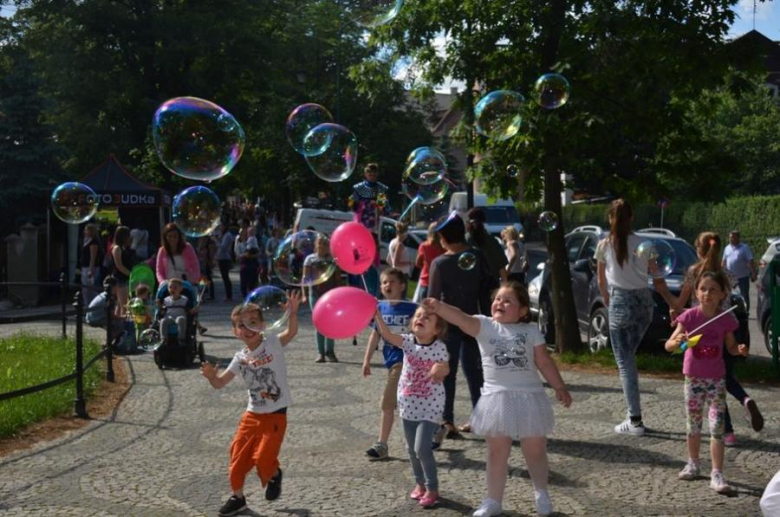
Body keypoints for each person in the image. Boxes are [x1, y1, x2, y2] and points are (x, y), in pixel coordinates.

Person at [422, 282, 572, 517]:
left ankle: (541, 493)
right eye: (497, 299)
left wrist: (559, 386)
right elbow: (460, 317)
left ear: (523, 310)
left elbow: (543, 362)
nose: (499, 303)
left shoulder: (531, 331)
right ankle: (493, 501)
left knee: (535, 449)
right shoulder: (485, 325)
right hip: (496, 398)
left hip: (529, 397)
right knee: (496, 451)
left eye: (507, 300)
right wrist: (439, 306)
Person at [200, 291, 301, 517]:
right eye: (241, 325)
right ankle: (238, 498)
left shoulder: (272, 344)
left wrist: (292, 313)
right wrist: (211, 377)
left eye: (252, 323)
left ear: (263, 325)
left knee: (263, 459)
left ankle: (274, 474)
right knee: (236, 458)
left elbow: (292, 331)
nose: (247, 329)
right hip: (251, 415)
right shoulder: (239, 358)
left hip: (275, 414)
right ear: (235, 332)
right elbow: (220, 383)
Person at [659, 232, 764, 446]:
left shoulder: (694, 273)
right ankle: (740, 409)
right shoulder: (727, 274)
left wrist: (665, 294)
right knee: (722, 377)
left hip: (701, 333)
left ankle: (727, 433)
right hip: (727, 327)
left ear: (698, 249)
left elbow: (681, 303)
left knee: (713, 380)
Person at [665, 271, 749, 494]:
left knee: (717, 428)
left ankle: (717, 473)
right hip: (693, 379)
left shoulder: (725, 319)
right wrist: (678, 342)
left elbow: (730, 347)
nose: (707, 293)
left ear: (722, 294)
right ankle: (693, 463)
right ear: (696, 293)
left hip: (716, 381)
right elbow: (669, 346)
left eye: (713, 290)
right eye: (703, 289)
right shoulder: (690, 317)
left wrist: (738, 350)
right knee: (693, 426)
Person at [374, 305, 450, 509]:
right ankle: (420, 484)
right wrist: (377, 316)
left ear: (436, 329)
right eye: (418, 316)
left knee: (421, 448)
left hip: (431, 406)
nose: (421, 318)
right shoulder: (407, 342)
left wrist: (439, 368)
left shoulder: (439, 346)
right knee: (411, 450)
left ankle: (432, 488)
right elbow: (388, 335)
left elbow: (446, 366)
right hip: (408, 404)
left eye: (427, 317)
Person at [428, 211, 495, 443]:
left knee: (448, 374)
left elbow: (432, 300)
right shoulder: (476, 256)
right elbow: (487, 290)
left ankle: (447, 421)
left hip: (447, 326)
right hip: (473, 322)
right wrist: (489, 320)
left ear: (443, 238)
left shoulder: (440, 263)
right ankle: (482, 420)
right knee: (476, 373)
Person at [596, 199, 660, 436]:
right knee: (628, 358)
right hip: (644, 303)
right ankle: (633, 417)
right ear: (631, 217)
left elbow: (601, 280)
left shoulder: (604, 245)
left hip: (620, 302)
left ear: (610, 218)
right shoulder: (645, 243)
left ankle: (635, 420)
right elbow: (657, 277)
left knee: (625, 363)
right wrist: (673, 303)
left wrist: (607, 299)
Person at [362, 268, 417, 460]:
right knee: (413, 402)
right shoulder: (381, 308)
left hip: (407, 362)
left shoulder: (411, 308)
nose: (387, 285)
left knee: (387, 403)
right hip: (391, 362)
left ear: (402, 286)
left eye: (392, 282)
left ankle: (382, 444)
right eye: (384, 282)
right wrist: (367, 359)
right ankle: (436, 428)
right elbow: (375, 334)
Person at [301, 234, 341, 363]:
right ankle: (320, 353)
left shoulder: (332, 261)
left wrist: (340, 296)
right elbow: (305, 279)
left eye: (325, 244)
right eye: (320, 244)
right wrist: (303, 294)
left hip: (330, 296)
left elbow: (338, 280)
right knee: (319, 323)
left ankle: (330, 351)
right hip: (315, 294)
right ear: (315, 245)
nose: (322, 246)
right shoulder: (310, 259)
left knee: (330, 323)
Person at [466, 207, 508, 284]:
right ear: (483, 221)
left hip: (469, 284)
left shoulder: (465, 240)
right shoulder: (492, 240)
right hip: (490, 284)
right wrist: (505, 285)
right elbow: (501, 266)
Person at [722, 230, 757, 312]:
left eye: (733, 237)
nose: (731, 239)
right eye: (730, 237)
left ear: (738, 238)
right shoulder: (727, 248)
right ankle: (730, 311)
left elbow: (750, 261)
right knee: (728, 295)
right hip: (730, 277)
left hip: (742, 277)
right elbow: (723, 262)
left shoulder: (744, 248)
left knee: (744, 295)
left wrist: (753, 273)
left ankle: (745, 311)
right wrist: (721, 272)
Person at [413, 222, 444, 303]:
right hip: (439, 281)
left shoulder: (424, 246)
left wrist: (425, 266)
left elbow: (417, 263)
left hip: (425, 280)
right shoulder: (443, 247)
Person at [109, 226, 135, 317]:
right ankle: (123, 325)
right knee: (123, 304)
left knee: (120, 304)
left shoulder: (123, 248)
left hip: (124, 278)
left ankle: (118, 325)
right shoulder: (117, 248)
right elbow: (119, 265)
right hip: (120, 278)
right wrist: (131, 274)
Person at [158, 278, 190, 344]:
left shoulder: (184, 300)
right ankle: (164, 339)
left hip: (180, 317)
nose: (172, 289)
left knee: (180, 319)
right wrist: (160, 309)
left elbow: (189, 311)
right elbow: (163, 311)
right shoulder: (166, 300)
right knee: (163, 320)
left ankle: (181, 338)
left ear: (180, 289)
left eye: (175, 288)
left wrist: (194, 310)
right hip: (170, 318)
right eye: (170, 287)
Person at [80, 223, 103, 306]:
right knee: (85, 288)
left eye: (86, 230)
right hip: (85, 266)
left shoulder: (93, 242)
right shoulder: (87, 240)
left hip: (90, 267)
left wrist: (91, 270)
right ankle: (88, 304)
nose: (85, 231)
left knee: (90, 288)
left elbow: (93, 257)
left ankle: (94, 305)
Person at [235, 227, 261, 299]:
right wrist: (244, 255)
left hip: (253, 265)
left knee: (252, 283)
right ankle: (245, 297)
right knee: (243, 284)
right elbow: (237, 256)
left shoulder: (253, 241)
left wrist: (251, 255)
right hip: (244, 265)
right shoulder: (239, 244)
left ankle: (252, 298)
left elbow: (258, 253)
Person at [216, 222, 235, 302]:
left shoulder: (227, 235)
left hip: (225, 258)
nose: (220, 227)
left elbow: (223, 247)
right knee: (224, 277)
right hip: (221, 258)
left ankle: (229, 295)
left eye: (221, 226)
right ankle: (228, 294)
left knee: (225, 277)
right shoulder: (223, 234)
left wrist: (215, 240)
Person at [197, 235, 217, 301]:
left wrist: (211, 262)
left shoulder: (210, 245)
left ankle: (209, 294)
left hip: (206, 265)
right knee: (202, 280)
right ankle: (202, 295)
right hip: (201, 265)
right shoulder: (201, 245)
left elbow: (211, 255)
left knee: (207, 279)